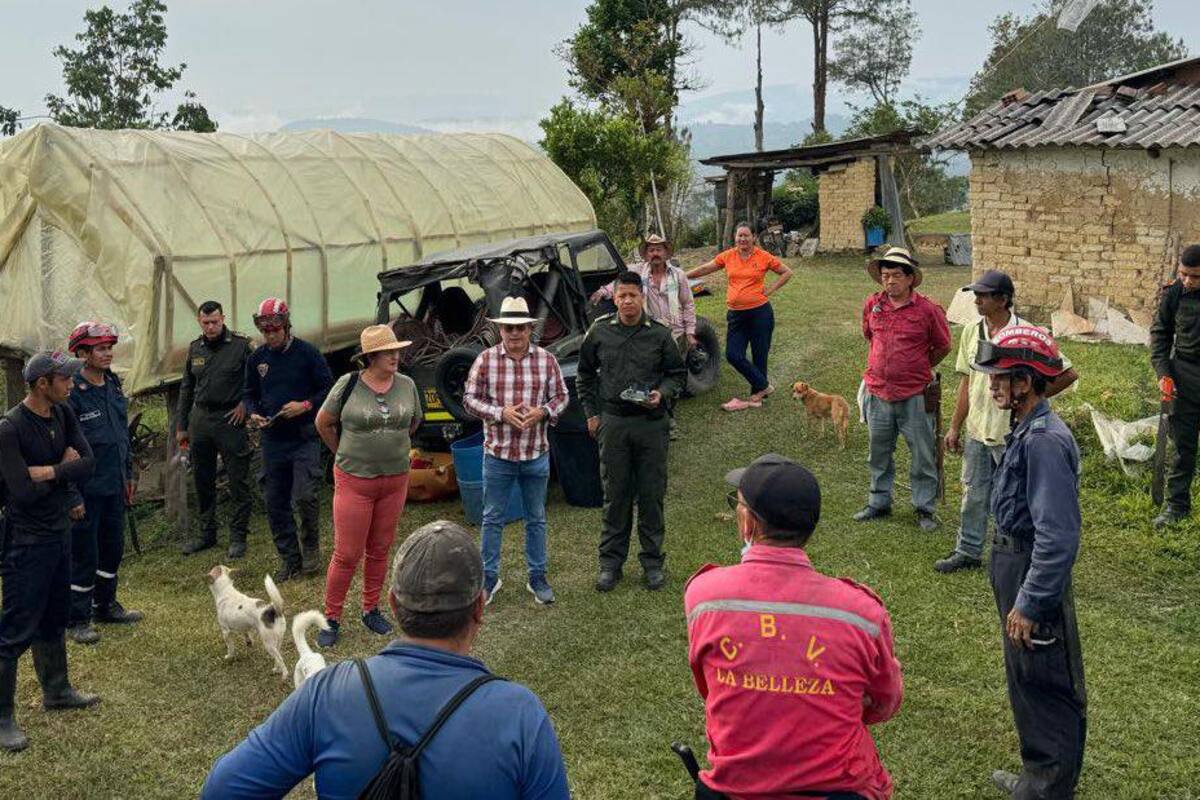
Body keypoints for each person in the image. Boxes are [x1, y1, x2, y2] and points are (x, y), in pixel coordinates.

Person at [200, 520, 571, 800]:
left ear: (392, 604)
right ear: (479, 608)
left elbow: (222, 791)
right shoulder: (520, 714)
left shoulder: (328, 694)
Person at [684, 454, 902, 800]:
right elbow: (885, 703)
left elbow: (708, 688)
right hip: (838, 790)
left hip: (735, 790)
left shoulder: (703, 596)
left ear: (748, 524)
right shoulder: (863, 614)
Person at [973, 326, 1086, 798]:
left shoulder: (1044, 441)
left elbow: (1057, 536)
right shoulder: (1026, 429)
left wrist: (1032, 601)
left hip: (1028, 568)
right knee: (1025, 675)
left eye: (1001, 376)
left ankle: (1047, 787)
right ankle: (1036, 773)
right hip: (1011, 561)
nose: (992, 384)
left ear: (1026, 382)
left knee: (1045, 679)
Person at [935, 271, 1077, 573]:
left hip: (1013, 435)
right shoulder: (972, 331)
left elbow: (1068, 373)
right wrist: (955, 426)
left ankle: (1014, 552)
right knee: (973, 492)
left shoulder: (1027, 335)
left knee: (1014, 497)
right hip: (978, 429)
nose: (977, 301)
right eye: (976, 295)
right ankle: (969, 550)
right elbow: (967, 382)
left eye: (983, 295)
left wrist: (1029, 398)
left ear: (1003, 299)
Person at [0, 351, 100, 753]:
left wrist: (51, 470)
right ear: (43, 383)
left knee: (55, 617)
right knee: (14, 630)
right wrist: (62, 467)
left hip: (59, 533)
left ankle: (56, 690)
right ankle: (3, 718)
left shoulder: (63, 415)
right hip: (25, 541)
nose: (72, 384)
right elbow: (20, 494)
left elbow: (88, 462)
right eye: (65, 379)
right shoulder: (10, 429)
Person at [577, 272, 687, 592]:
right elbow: (584, 376)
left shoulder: (660, 336)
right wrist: (592, 414)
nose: (627, 301)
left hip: (650, 424)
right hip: (613, 424)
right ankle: (610, 564)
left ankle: (652, 563)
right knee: (616, 495)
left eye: (633, 296)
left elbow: (677, 375)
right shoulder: (598, 333)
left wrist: (662, 394)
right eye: (622, 296)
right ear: (614, 298)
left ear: (642, 298)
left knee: (651, 495)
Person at [314, 325, 422, 647]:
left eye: (397, 350)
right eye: (389, 352)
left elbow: (414, 422)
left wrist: (392, 447)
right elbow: (323, 422)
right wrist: (343, 453)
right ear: (370, 357)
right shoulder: (347, 385)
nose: (396, 356)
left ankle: (370, 609)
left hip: (395, 478)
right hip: (354, 480)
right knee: (347, 553)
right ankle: (331, 618)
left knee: (380, 547)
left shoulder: (407, 385)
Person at [463, 296, 569, 606]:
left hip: (536, 453)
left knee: (536, 518)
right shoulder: (485, 359)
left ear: (528, 329)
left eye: (520, 328)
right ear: (500, 331)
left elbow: (562, 397)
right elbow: (469, 400)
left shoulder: (546, 360)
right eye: (509, 329)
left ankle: (537, 577)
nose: (514, 334)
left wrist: (544, 413)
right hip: (498, 454)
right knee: (492, 518)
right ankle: (489, 579)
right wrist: (500, 413)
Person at [855, 247, 952, 532]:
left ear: (910, 278)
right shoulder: (873, 305)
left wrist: (919, 366)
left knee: (923, 454)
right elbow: (869, 336)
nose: (889, 281)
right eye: (885, 276)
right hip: (878, 391)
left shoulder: (927, 310)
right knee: (878, 452)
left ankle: (924, 508)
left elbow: (944, 345)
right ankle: (879, 501)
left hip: (915, 394)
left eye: (896, 275)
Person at [64, 322, 144, 646]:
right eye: (100, 348)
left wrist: (129, 476)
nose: (108, 353)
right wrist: (71, 496)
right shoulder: (72, 395)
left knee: (113, 549)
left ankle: (105, 606)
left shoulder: (112, 385)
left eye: (110, 347)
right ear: (82, 354)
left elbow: (121, 438)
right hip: (86, 491)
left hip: (114, 485)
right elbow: (64, 452)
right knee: (85, 554)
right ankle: (77, 619)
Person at [244, 297, 333, 583]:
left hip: (303, 437)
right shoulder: (257, 359)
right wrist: (254, 413)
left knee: (305, 495)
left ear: (286, 325)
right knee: (274, 500)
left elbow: (328, 390)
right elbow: (249, 393)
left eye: (274, 330)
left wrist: (305, 406)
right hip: (272, 440)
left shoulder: (307, 353)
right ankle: (289, 559)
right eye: (265, 330)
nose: (269, 335)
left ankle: (310, 548)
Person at [590, 233, 697, 438]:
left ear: (666, 252)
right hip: (650, 334)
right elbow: (618, 285)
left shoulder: (678, 275)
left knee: (673, 376)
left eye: (658, 249)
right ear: (646, 254)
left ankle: (668, 414)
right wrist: (601, 292)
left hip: (675, 333)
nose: (655, 253)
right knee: (653, 374)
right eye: (651, 250)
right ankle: (663, 418)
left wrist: (691, 333)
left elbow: (688, 304)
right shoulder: (637, 272)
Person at [176, 300, 255, 558]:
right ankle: (207, 534)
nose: (211, 327)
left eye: (215, 322)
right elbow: (186, 388)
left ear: (223, 319)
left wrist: (246, 404)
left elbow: (255, 381)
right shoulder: (195, 349)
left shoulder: (242, 346)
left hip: (230, 418)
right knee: (202, 479)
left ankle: (238, 536)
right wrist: (182, 426)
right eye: (206, 322)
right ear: (200, 322)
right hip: (201, 419)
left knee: (238, 479)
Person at [686, 223, 793, 411]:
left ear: (754, 237)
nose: (742, 239)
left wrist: (770, 290)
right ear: (735, 238)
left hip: (760, 313)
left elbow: (786, 272)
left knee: (760, 354)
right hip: (736, 315)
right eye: (739, 236)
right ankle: (765, 386)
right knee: (733, 354)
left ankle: (757, 395)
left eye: (746, 235)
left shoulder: (763, 257)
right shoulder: (728, 256)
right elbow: (706, 268)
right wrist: (682, 275)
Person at [1150, 244, 1200, 527]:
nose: (1188, 281)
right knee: (1182, 447)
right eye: (1184, 274)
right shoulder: (1174, 293)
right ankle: (1176, 506)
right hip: (1185, 374)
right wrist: (1163, 373)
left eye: (1195, 276)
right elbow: (1160, 335)